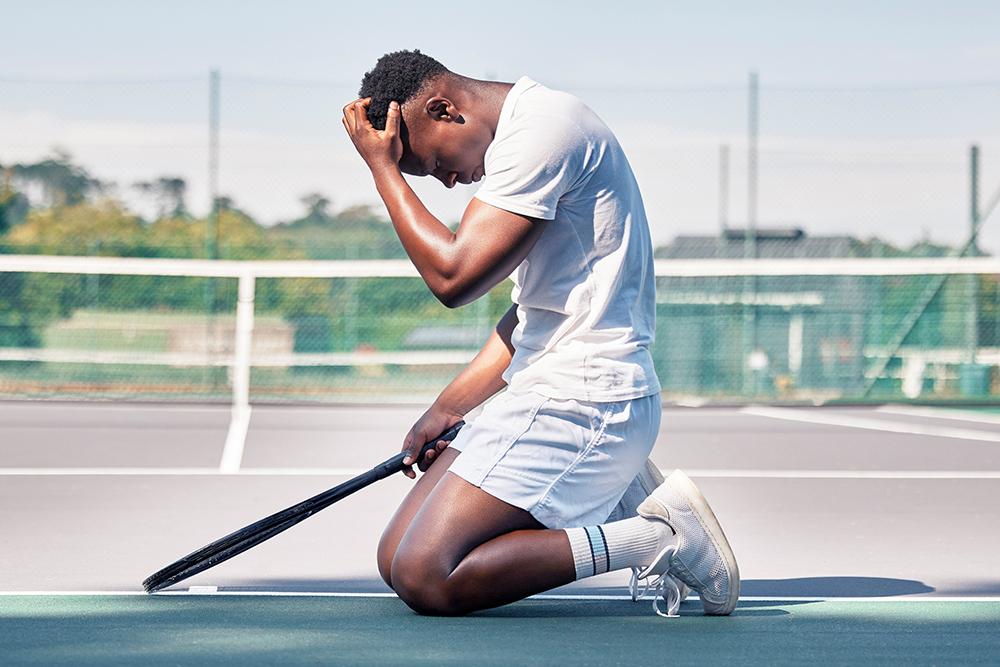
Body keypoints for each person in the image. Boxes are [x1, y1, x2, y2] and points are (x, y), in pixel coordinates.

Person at [342, 50, 738, 617]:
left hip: (588, 397)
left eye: (434, 163)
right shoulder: (528, 134)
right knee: (396, 558)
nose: (449, 181)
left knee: (427, 573)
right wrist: (446, 408)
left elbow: (453, 277)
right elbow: (530, 316)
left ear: (443, 109)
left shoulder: (544, 132)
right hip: (546, 388)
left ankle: (656, 536)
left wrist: (382, 168)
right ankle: (620, 492)